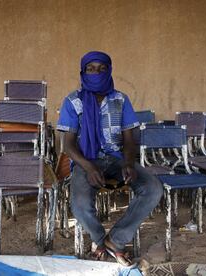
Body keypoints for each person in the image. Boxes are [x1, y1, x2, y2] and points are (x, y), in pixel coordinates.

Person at [57, 51, 163, 267]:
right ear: (83, 72)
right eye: (91, 68)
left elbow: (130, 138)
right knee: (79, 204)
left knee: (153, 188)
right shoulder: (72, 101)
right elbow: (67, 145)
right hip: (86, 161)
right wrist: (88, 167)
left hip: (116, 159)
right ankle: (101, 241)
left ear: (109, 71)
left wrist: (128, 162)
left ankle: (115, 241)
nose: (96, 73)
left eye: (102, 68)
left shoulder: (120, 99)